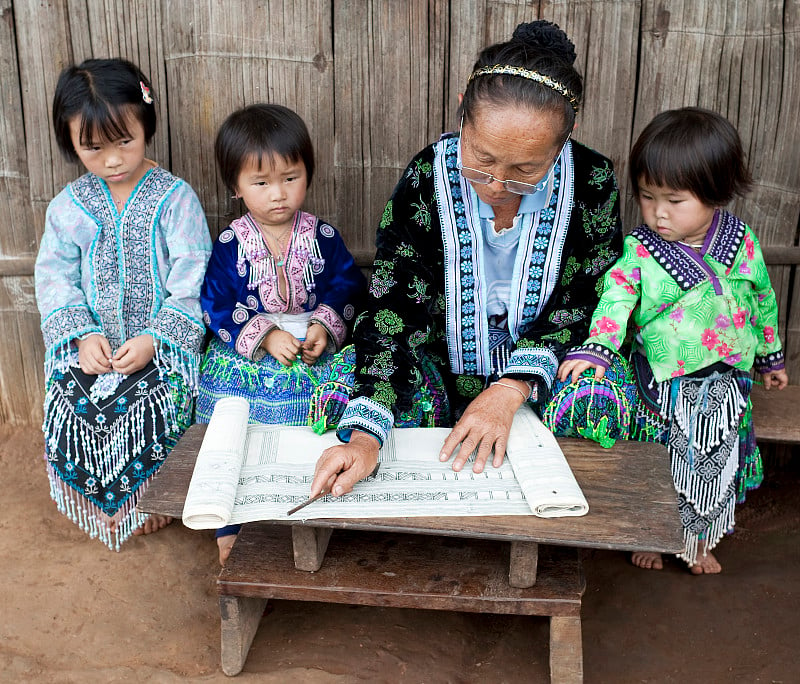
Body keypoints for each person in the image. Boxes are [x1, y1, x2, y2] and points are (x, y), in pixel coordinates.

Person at [311, 20, 625, 499]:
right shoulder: (427, 177)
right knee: (351, 385)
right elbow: (396, 303)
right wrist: (366, 435)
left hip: (544, 370)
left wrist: (509, 390)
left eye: (525, 170)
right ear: (462, 111)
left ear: (565, 140)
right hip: (441, 363)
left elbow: (588, 297)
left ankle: (563, 532)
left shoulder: (592, 181)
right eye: (481, 157)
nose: (497, 185)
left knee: (599, 394)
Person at [558, 107, 788, 574]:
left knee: (717, 462)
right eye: (646, 196)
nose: (658, 212)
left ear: (716, 193)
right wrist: (599, 348)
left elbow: (763, 298)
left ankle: (698, 538)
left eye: (675, 200)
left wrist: (770, 356)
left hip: (727, 383)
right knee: (669, 458)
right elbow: (615, 298)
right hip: (667, 385)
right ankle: (655, 530)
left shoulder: (742, 243)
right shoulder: (640, 251)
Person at [35, 58, 212, 550]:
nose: (111, 159)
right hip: (91, 346)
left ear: (146, 126)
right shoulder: (68, 207)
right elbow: (54, 278)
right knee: (68, 402)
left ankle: (150, 497)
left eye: (124, 142)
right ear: (71, 143)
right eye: (93, 147)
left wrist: (156, 339)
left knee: (158, 401)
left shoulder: (175, 200)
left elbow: (192, 274)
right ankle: (102, 500)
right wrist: (82, 336)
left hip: (158, 346)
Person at [198, 103, 366, 563]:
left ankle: (311, 505)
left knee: (334, 411)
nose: (278, 194)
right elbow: (216, 302)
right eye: (261, 182)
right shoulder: (231, 244)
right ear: (235, 186)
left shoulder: (323, 237)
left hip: (313, 348)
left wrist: (324, 325)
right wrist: (266, 335)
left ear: (307, 174)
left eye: (290, 178)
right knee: (235, 425)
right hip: (250, 353)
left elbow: (347, 284)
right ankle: (228, 520)